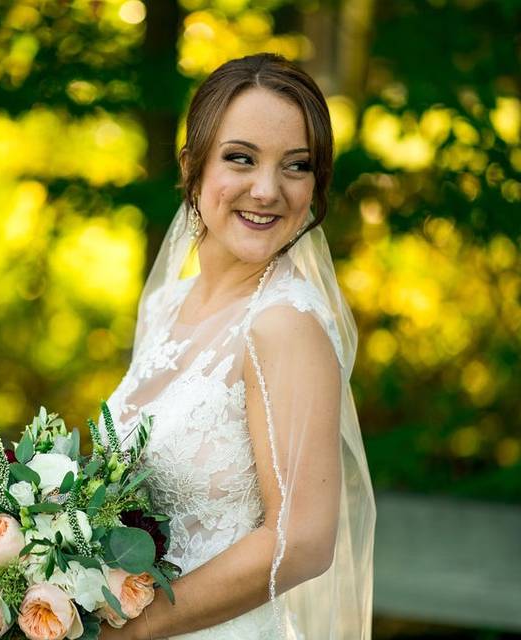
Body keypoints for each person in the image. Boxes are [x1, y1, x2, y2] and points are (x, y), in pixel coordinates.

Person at [98, 53, 375, 640]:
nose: (267, 189)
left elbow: (301, 543)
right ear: (192, 167)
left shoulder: (285, 324)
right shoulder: (167, 305)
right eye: (241, 158)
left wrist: (136, 630)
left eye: (296, 166)